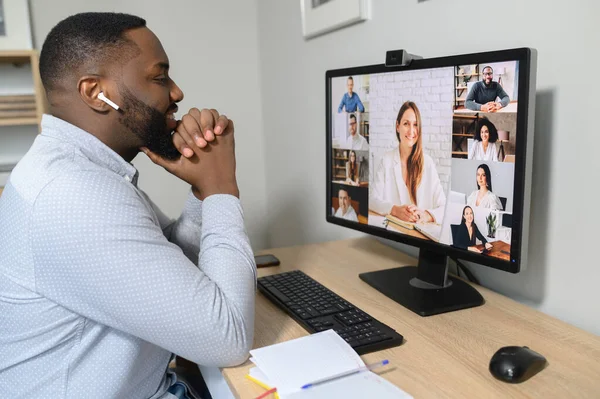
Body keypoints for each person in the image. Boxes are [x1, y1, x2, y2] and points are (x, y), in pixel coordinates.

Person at [0, 13, 256, 398]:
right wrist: (221, 187)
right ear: (94, 92)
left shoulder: (75, 168)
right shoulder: (72, 195)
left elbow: (168, 260)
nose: (177, 93)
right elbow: (229, 338)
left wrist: (203, 193)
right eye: (159, 77)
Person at [370, 101, 446, 223]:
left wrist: (426, 215)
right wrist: (394, 210)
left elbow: (444, 207)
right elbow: (372, 200)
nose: (411, 131)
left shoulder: (428, 163)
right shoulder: (386, 160)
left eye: (415, 125)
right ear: (397, 126)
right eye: (406, 124)